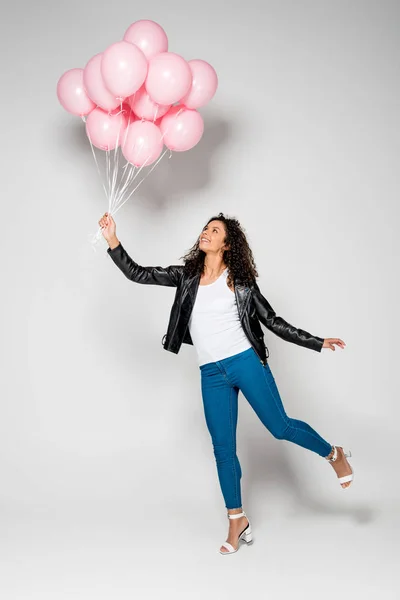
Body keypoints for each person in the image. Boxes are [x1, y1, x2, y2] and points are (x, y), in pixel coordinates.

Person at [98, 210, 353, 555]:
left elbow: (273, 321)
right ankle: (237, 519)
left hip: (246, 363)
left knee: (280, 427)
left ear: (226, 243)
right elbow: (139, 274)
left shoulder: (241, 282)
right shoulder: (187, 276)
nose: (205, 233)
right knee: (223, 449)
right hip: (211, 373)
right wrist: (113, 239)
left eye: (214, 230)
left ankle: (333, 454)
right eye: (205, 228)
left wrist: (316, 341)